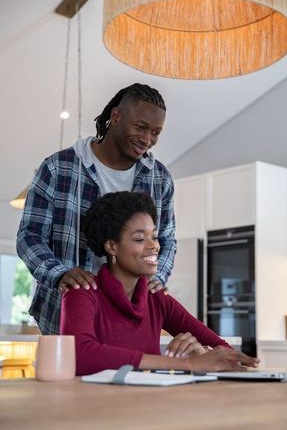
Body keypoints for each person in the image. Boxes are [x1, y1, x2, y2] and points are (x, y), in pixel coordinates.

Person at [16, 83, 176, 334]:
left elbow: (166, 240)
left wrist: (158, 278)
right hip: (63, 314)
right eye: (141, 127)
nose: (147, 139)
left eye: (155, 132)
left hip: (129, 319)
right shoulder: (58, 168)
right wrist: (60, 274)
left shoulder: (160, 179)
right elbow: (30, 236)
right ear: (115, 117)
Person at [60, 191, 259, 375]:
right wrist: (188, 365)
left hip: (151, 407)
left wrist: (202, 353)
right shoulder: (82, 293)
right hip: (98, 408)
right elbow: (80, 354)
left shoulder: (157, 299)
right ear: (112, 246)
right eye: (139, 239)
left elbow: (222, 350)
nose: (154, 245)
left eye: (153, 236)